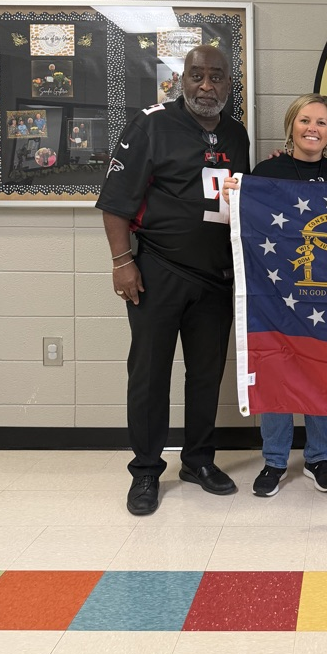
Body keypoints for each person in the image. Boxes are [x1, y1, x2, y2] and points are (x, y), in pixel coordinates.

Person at [96, 44, 250, 516]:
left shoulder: (236, 133)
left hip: (215, 279)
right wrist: (123, 262)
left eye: (217, 77)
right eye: (197, 76)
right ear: (181, 79)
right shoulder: (151, 124)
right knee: (149, 375)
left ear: (229, 82)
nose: (207, 86)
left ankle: (198, 461)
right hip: (156, 272)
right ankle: (145, 472)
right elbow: (116, 202)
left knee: (206, 376)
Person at [224, 94, 327, 497]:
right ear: (291, 125)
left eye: (321, 122)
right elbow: (244, 221)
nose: (312, 128)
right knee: (277, 373)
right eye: (305, 120)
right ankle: (275, 461)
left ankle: (318, 457)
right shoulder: (266, 171)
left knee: (321, 375)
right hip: (277, 294)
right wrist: (235, 195)